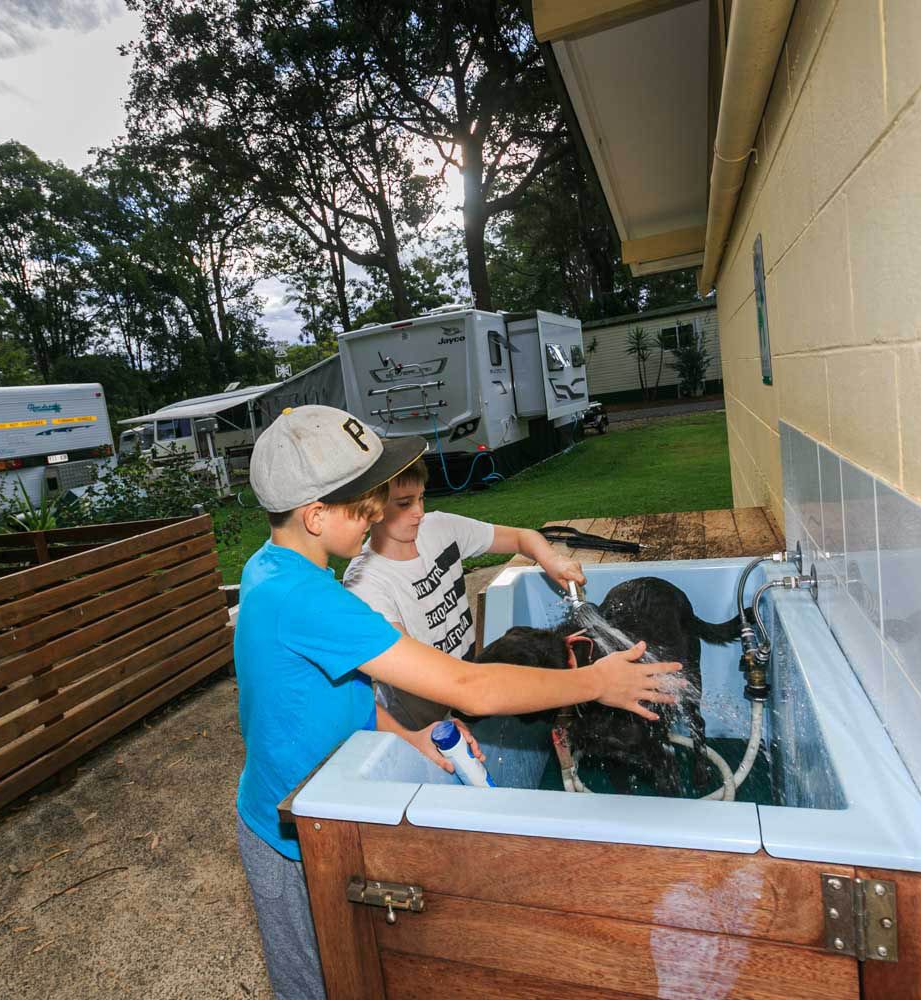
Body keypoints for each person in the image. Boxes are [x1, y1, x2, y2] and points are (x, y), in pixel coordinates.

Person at [233, 405, 676, 1000]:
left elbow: (336, 693)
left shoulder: (271, 569)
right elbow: (470, 688)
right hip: (288, 832)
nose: (377, 511)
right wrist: (594, 683)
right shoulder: (314, 599)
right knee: (317, 984)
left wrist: (407, 734)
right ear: (316, 516)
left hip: (320, 794)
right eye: (365, 502)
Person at [342, 458, 588, 730]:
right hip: (421, 720)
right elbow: (413, 667)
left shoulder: (438, 528)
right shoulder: (364, 582)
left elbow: (521, 537)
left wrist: (553, 561)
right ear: (373, 507)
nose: (419, 512)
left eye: (421, 498)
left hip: (470, 685)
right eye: (404, 503)